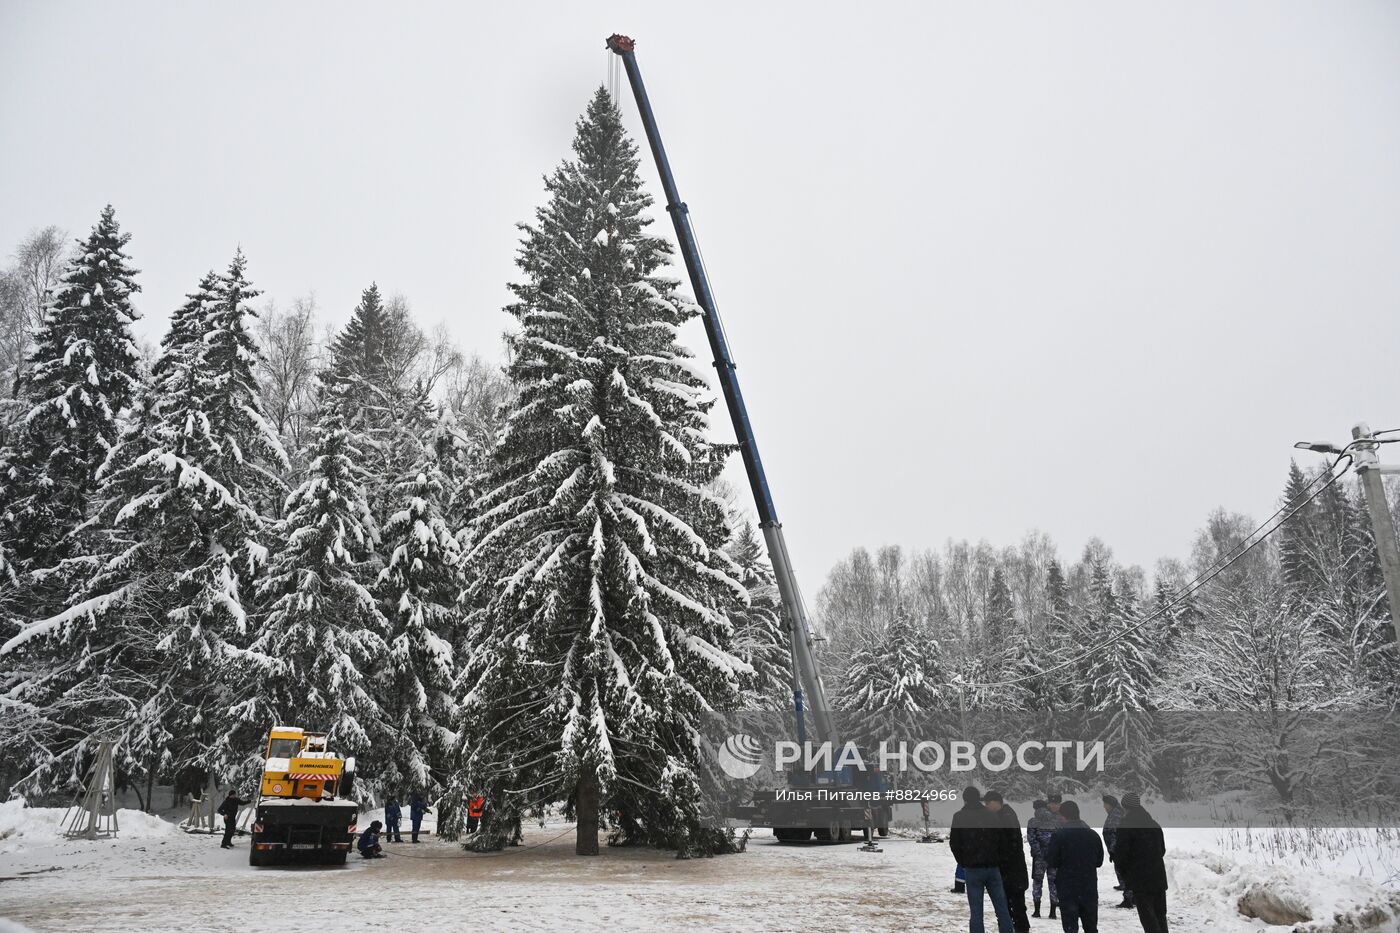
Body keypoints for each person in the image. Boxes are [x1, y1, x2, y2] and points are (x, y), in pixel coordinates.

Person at [949, 786, 1014, 933]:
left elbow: (954, 843)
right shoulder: (991, 815)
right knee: (1002, 908)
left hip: (972, 868)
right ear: (979, 798)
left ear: (965, 800)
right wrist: (997, 859)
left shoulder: (959, 817)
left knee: (976, 912)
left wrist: (963, 862)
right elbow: (1002, 841)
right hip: (992, 867)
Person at [1114, 793, 1170, 933]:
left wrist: (1127, 875)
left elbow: (1121, 856)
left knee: (1148, 919)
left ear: (1125, 807)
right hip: (1158, 877)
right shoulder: (1153, 824)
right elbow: (1162, 850)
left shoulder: (1125, 825)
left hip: (1140, 879)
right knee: (1160, 916)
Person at [1046, 801, 1104, 933]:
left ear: (1063, 816)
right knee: (1091, 926)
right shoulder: (1093, 835)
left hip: (1067, 886)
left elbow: (1052, 861)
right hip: (1088, 886)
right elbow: (1099, 862)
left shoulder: (1059, 835)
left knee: (1070, 926)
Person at [984, 791, 1031, 933]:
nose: (986, 807)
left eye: (988, 804)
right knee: (1013, 907)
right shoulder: (1006, 814)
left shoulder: (1005, 817)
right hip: (1013, 871)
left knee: (1012, 908)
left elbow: (1007, 844)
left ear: (996, 802)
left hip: (1010, 871)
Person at [1027, 797, 1063, 919]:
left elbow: (1032, 839)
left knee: (1037, 882)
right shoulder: (1056, 820)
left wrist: (1038, 852)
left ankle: (1037, 911)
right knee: (1053, 883)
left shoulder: (1032, 821)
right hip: (1053, 857)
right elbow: (1059, 838)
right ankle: (1053, 911)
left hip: (1039, 858)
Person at [1102, 795, 1132, 909]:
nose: (1104, 807)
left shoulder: (1115, 815)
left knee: (1124, 871)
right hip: (1118, 849)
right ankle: (1125, 888)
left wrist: (1114, 850)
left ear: (1110, 805)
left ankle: (1129, 899)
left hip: (1119, 850)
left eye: (1105, 805)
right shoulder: (1116, 812)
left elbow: (1115, 834)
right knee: (1122, 870)